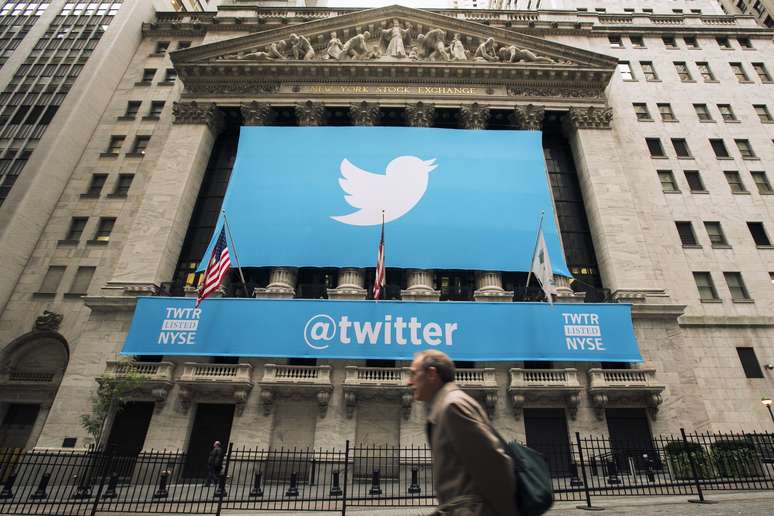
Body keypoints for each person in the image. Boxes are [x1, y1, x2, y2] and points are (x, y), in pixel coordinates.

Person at [408, 350, 517, 516]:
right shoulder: (443, 406)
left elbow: (494, 468)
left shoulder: (453, 406)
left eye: (414, 374)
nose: (409, 382)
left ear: (431, 374)